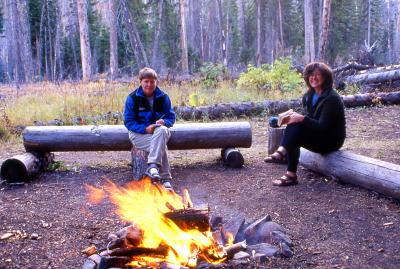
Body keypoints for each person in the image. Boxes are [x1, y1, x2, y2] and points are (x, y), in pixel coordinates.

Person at [264, 62, 346, 186]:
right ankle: (290, 173)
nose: (314, 78)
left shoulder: (331, 98)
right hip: (317, 135)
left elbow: (322, 126)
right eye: (311, 75)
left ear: (325, 77)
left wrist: (302, 119)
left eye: (318, 75)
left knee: (296, 128)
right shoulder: (308, 96)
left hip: (330, 140)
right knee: (294, 126)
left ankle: (282, 153)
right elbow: (307, 118)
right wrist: (288, 118)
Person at [124, 67, 176, 191]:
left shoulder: (163, 97)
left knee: (162, 130)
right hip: (139, 134)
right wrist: (145, 129)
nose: (149, 84)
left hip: (159, 133)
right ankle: (166, 179)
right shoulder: (132, 98)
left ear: (156, 82)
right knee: (160, 146)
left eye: (152, 81)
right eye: (146, 81)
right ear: (141, 82)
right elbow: (129, 122)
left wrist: (164, 121)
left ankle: (152, 167)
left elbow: (171, 117)